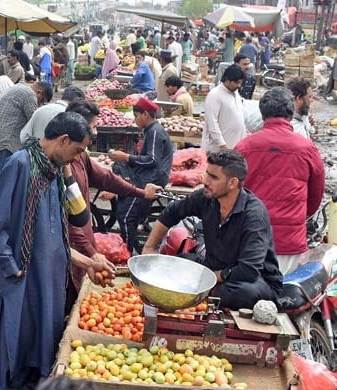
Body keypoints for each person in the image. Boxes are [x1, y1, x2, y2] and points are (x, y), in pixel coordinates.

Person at [0, 112, 109, 390]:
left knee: (38, 357)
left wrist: (87, 261)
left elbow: (68, 226)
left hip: (47, 284)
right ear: (63, 139)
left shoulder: (53, 171)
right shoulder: (21, 165)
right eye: (76, 150)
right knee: (6, 359)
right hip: (18, 284)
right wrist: (11, 267)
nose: (78, 158)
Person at [143, 150, 284, 310]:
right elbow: (171, 213)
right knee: (173, 265)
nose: (205, 181)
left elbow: (249, 270)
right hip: (213, 268)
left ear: (232, 183)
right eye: (207, 174)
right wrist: (149, 248)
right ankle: (200, 291)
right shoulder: (207, 198)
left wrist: (204, 280)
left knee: (242, 293)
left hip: (252, 280)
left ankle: (200, 293)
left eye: (214, 177)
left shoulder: (254, 215)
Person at [65, 100, 160, 291]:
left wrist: (140, 193)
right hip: (71, 249)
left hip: (83, 244)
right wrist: (92, 254)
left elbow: (107, 178)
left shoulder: (80, 157)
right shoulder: (63, 166)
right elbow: (71, 224)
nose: (96, 133)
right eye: (93, 127)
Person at [235, 88, 325, 275]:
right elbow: (316, 196)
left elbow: (229, 191)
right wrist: (297, 216)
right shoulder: (307, 148)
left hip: (248, 237)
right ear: (291, 113)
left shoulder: (244, 147)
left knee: (245, 295)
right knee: (282, 296)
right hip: (289, 241)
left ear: (262, 113)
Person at [108, 97, 172, 252]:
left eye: (136, 116)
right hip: (146, 175)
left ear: (145, 114)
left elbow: (152, 160)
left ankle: (128, 254)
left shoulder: (155, 132)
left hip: (151, 179)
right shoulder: (151, 131)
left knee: (124, 217)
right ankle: (132, 247)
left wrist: (127, 157)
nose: (135, 120)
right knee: (119, 167)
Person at [0, 81, 52, 174]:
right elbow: (35, 120)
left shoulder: (16, 87)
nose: (39, 104)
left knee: (5, 182)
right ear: (39, 92)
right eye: (41, 101)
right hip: (8, 147)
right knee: (8, 186)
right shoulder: (29, 94)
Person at [202, 64, 246, 152]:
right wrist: (222, 145)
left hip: (235, 147)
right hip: (219, 149)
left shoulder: (236, 93)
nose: (239, 86)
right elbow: (212, 123)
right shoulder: (215, 95)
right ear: (227, 80)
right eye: (237, 82)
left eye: (240, 83)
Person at [20, 86, 84, 143]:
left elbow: (23, 138)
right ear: (78, 102)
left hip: (35, 154)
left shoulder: (40, 110)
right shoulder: (71, 117)